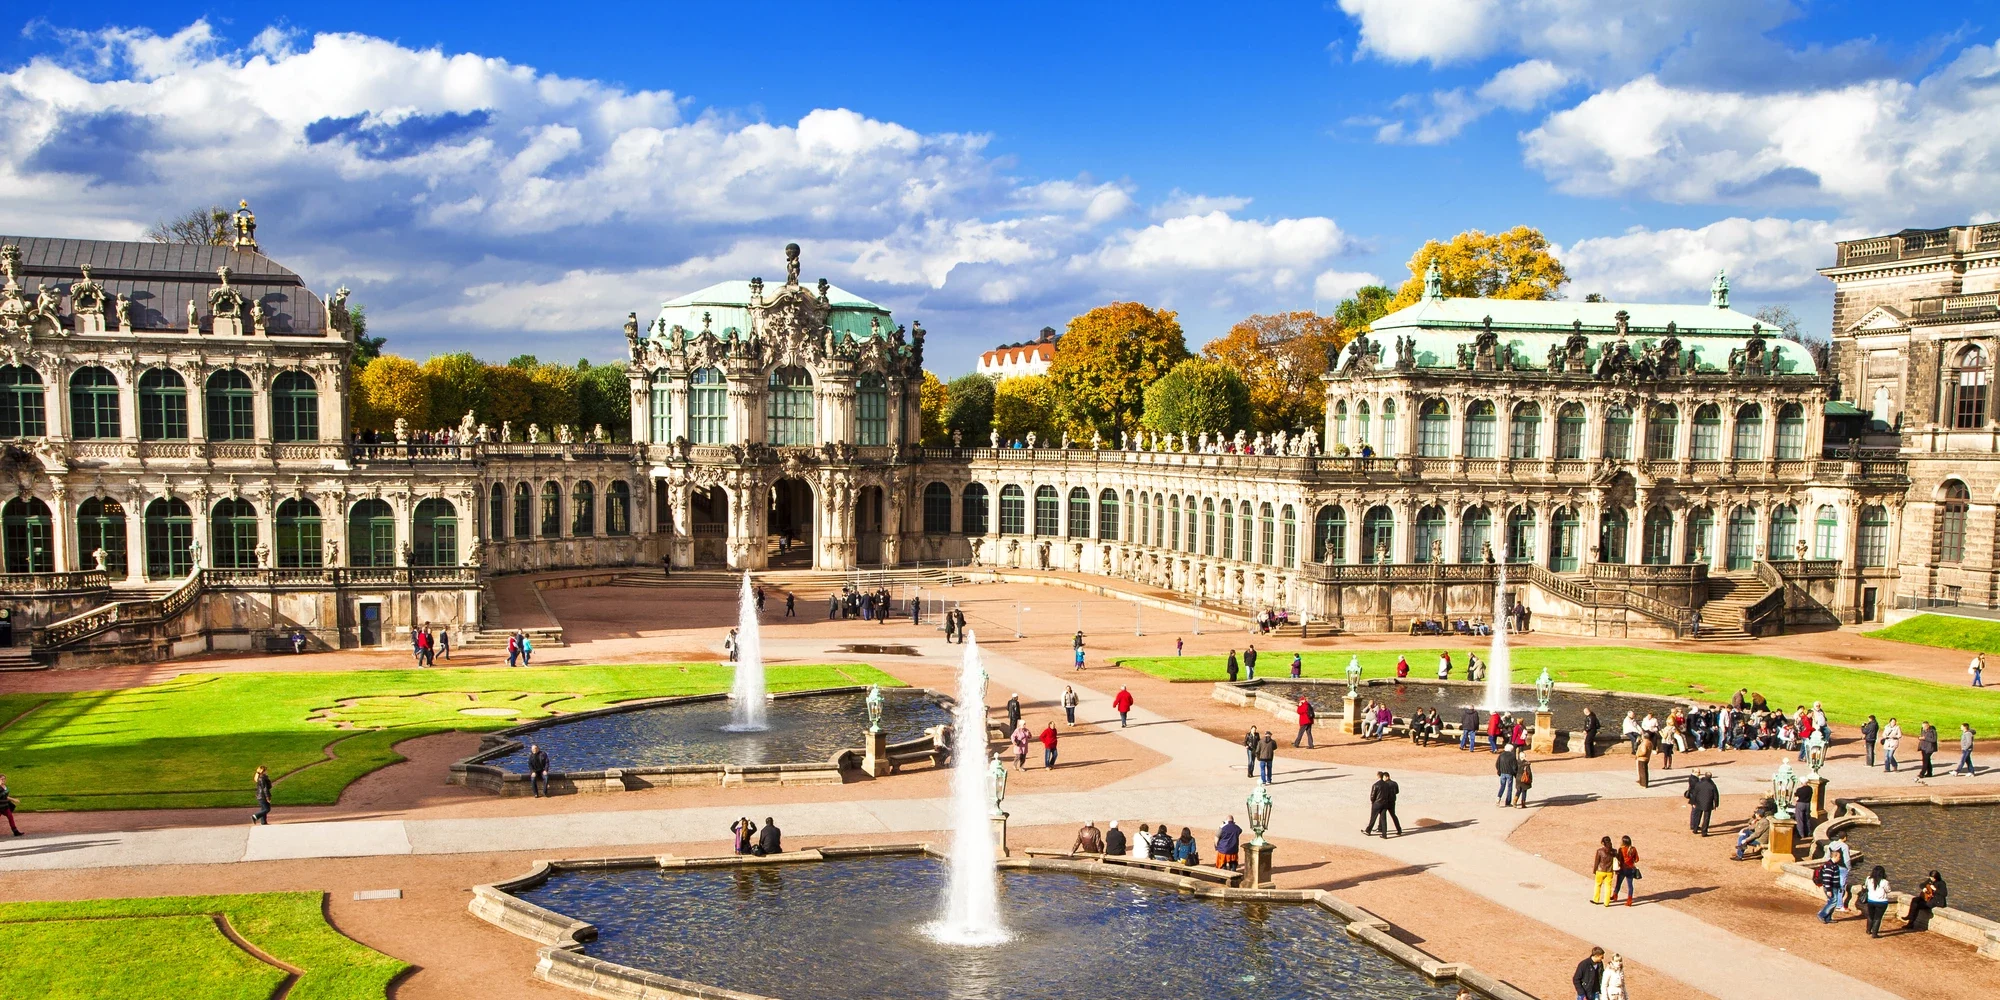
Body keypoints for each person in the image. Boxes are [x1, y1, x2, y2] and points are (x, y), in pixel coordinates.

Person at [1366, 770, 1402, 837]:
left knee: (1381, 816)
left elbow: (1375, 795)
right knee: (1392, 816)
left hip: (1384, 802)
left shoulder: (1385, 784)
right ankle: (1399, 829)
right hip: (1392, 802)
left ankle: (1379, 829)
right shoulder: (1394, 783)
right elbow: (1397, 792)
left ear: (1387, 777)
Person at [1686, 769, 1719, 835]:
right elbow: (1716, 795)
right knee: (1706, 818)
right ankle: (1704, 832)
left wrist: (1693, 802)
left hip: (1699, 802)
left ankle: (1695, 829)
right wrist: (1716, 804)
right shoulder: (1712, 785)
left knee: (1698, 816)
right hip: (1708, 803)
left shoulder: (1699, 784)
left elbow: (1695, 793)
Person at [1862, 866, 1892, 937]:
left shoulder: (1868, 879)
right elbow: (1888, 890)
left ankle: (1868, 930)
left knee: (1870, 916)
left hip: (1871, 900)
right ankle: (1874, 933)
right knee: (1878, 918)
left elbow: (1865, 886)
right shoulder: (1884, 882)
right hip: (1881, 902)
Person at [1612, 835, 1641, 905]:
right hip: (1631, 869)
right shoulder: (1633, 849)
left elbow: (1619, 858)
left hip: (1622, 869)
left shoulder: (1621, 849)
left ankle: (1615, 895)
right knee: (1630, 885)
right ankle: (1629, 900)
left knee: (1618, 883)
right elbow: (1637, 859)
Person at [1592, 837, 1618, 904]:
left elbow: (1597, 862)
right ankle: (1606, 902)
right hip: (1609, 871)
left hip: (1600, 871)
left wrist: (1594, 870)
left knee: (1598, 885)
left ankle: (1596, 899)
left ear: (1603, 843)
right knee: (1608, 886)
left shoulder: (1599, 851)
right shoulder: (1614, 851)